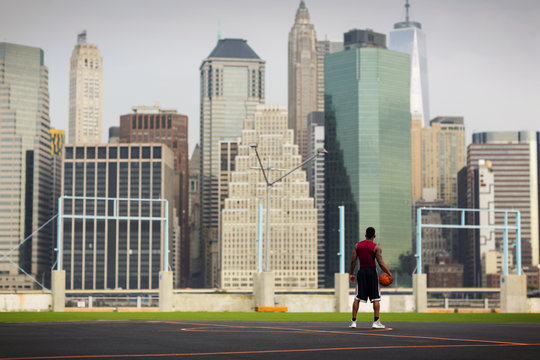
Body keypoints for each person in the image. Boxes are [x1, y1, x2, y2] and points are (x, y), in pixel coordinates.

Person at [348, 226, 392, 329]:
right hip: (372, 272)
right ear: (374, 236)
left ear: (365, 235)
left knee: (357, 297)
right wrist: (389, 273)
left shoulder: (357, 245)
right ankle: (376, 322)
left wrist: (351, 273)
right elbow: (380, 263)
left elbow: (353, 261)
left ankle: (353, 321)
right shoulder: (376, 247)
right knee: (376, 297)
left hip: (362, 271)